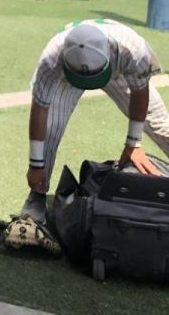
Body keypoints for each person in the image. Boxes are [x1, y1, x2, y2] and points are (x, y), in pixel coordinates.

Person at [20, 19, 169, 224]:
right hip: (67, 77)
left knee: (162, 125)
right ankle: (36, 197)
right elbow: (40, 108)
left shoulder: (132, 48)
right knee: (51, 129)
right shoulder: (51, 58)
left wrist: (134, 142)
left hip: (117, 70)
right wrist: (35, 165)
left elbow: (139, 90)